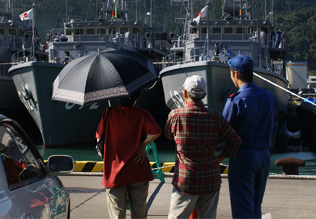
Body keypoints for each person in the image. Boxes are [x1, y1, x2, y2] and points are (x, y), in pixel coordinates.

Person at [165, 75, 241, 219]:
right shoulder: (216, 117)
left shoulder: (175, 115)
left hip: (185, 179)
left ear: (185, 93)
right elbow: (235, 140)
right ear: (204, 95)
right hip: (210, 177)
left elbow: (168, 134)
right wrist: (221, 156)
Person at [223, 55, 278, 219]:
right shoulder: (269, 96)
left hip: (244, 156)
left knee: (242, 207)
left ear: (236, 74)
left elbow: (225, 131)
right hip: (264, 155)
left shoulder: (235, 100)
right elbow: (275, 126)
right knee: (255, 206)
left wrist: (221, 153)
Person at [96, 91, 162, 219]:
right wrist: (143, 146)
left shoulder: (108, 113)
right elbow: (157, 131)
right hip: (138, 170)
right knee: (139, 212)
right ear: (136, 98)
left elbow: (99, 138)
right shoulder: (142, 114)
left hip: (114, 173)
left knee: (117, 214)